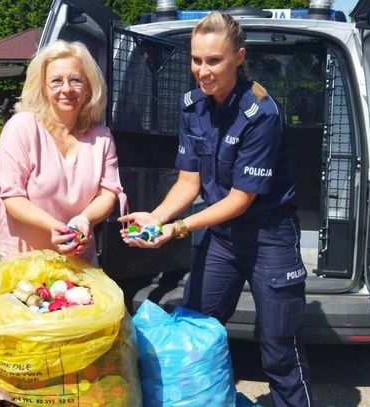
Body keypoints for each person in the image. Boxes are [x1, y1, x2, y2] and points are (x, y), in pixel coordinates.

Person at [118, 11, 312, 406]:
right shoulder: (192, 106)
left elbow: (241, 199)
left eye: (214, 61)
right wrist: (157, 217)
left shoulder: (262, 114)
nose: (202, 71)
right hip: (223, 237)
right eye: (196, 60)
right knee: (194, 326)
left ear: (238, 58)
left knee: (279, 348)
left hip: (269, 239)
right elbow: (188, 182)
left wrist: (178, 229)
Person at [0, 40, 125, 264]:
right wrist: (54, 226)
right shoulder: (21, 128)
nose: (67, 89)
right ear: (43, 87)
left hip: (80, 261)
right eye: (56, 81)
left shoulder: (102, 137)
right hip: (25, 263)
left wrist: (84, 220)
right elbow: (11, 197)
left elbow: (108, 193)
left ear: (89, 87)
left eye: (76, 80)